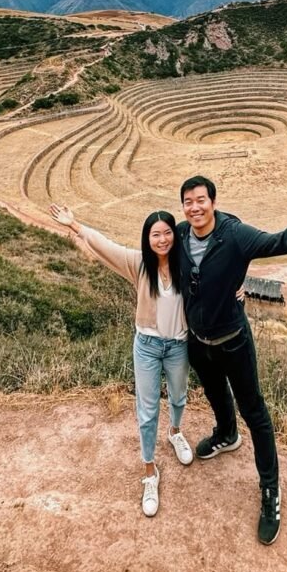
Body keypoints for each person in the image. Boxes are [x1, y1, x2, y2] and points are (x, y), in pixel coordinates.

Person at [177, 175, 287, 546]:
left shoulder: (235, 234)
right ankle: (226, 435)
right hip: (198, 342)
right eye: (188, 201)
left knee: (255, 412)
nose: (194, 207)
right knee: (215, 395)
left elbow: (275, 242)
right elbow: (156, 253)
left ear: (213, 202)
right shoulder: (180, 235)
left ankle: (270, 491)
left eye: (200, 200)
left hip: (233, 342)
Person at [49, 204, 198, 518]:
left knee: (179, 395)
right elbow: (106, 246)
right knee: (146, 412)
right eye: (155, 234)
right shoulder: (138, 264)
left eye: (167, 233)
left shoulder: (187, 263)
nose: (162, 240)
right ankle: (149, 472)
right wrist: (76, 225)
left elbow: (217, 277)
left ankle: (174, 432)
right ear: (147, 238)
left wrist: (238, 288)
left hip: (179, 346)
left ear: (176, 234)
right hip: (146, 346)